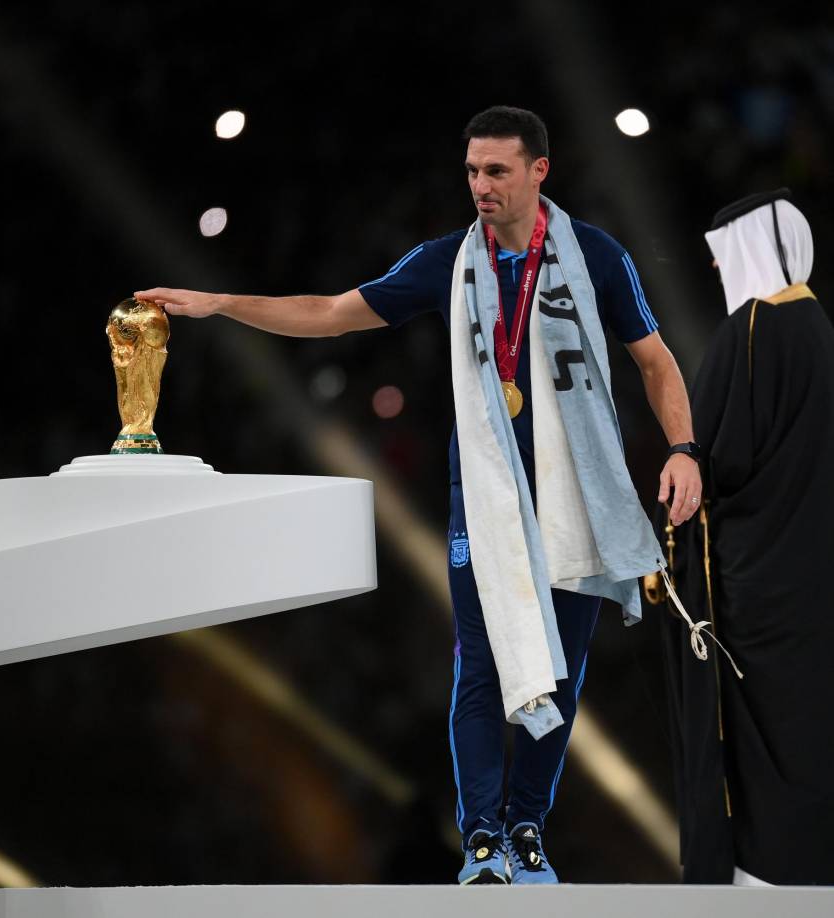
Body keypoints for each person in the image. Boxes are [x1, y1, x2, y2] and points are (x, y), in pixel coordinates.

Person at [136, 106, 701, 885]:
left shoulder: (595, 255)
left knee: (561, 673)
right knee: (479, 667)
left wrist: (682, 449)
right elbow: (334, 315)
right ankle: (481, 840)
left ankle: (527, 831)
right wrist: (224, 303)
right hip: (487, 496)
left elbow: (657, 362)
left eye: (497, 170)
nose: (481, 187)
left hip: (576, 497)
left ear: (540, 170)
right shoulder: (447, 262)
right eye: (472, 171)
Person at [655, 189, 834, 886]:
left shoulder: (753, 331)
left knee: (755, 758)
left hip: (756, 604)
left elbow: (714, 464)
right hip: (815, 590)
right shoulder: (821, 330)